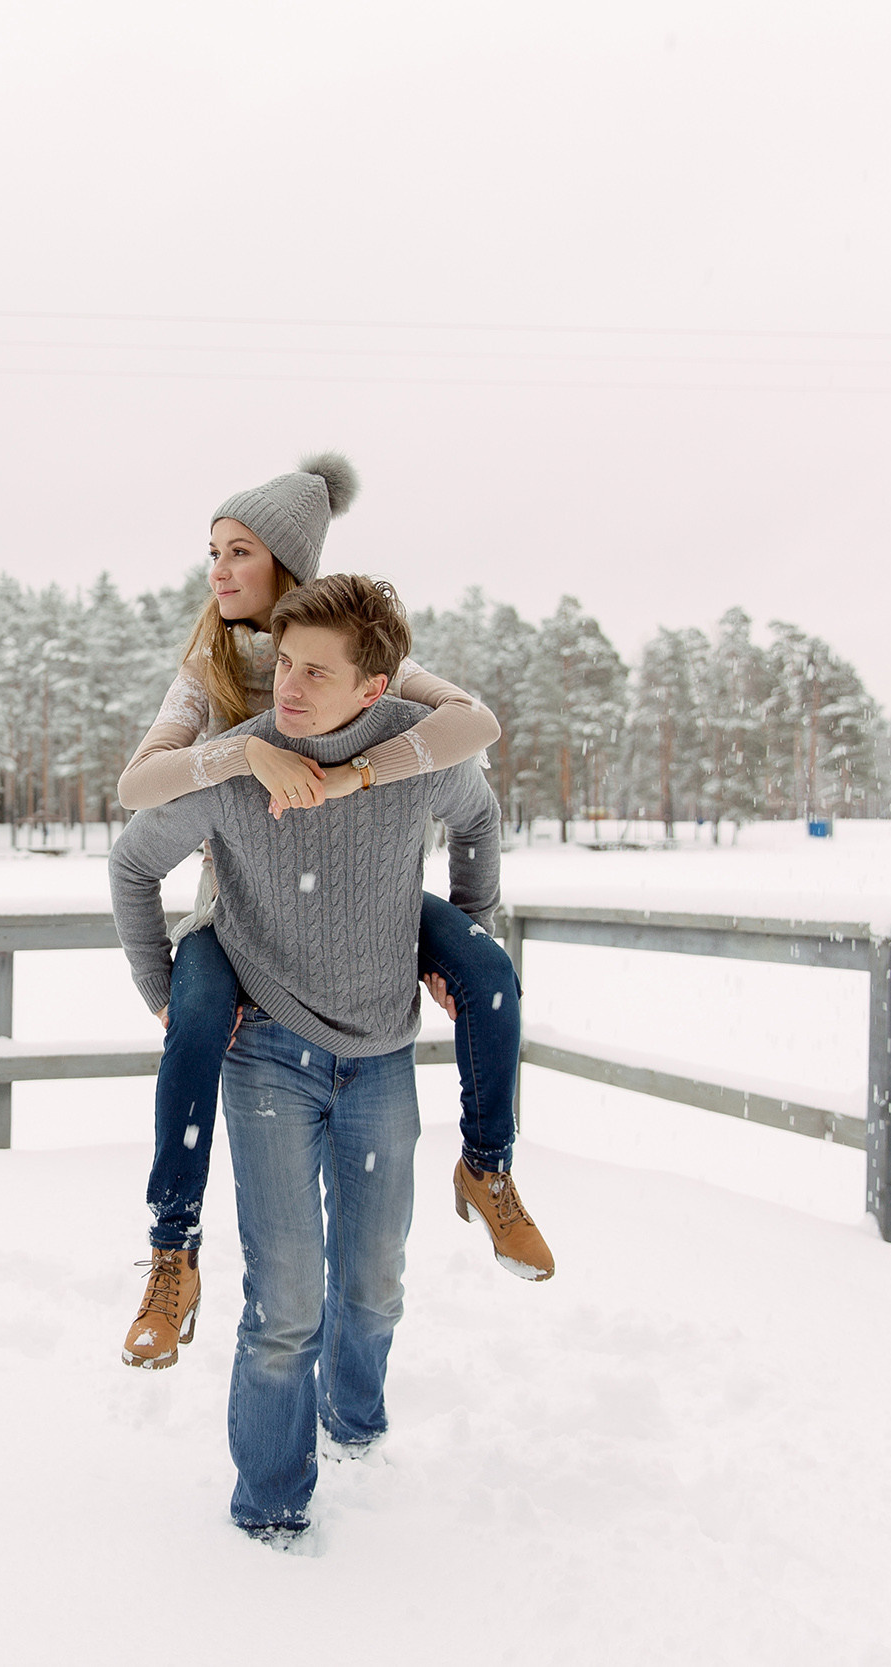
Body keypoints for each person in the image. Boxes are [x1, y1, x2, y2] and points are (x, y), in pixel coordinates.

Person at [113, 455, 549, 1373]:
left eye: (239, 552)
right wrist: (242, 759)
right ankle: (172, 1254)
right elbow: (137, 787)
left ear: (287, 563)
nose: (218, 572)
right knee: (192, 1016)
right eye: (213, 552)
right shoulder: (208, 668)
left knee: (488, 971)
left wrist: (361, 773)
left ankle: (489, 1165)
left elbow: (471, 727)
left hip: (375, 890)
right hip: (244, 910)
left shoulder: (336, 643)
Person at [108, 573, 505, 1542]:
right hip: (268, 1059)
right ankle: (272, 1509)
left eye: (314, 672)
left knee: (373, 1282)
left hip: (379, 1056)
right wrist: (167, 993)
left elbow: (480, 813)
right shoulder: (239, 765)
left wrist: (466, 931)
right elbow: (131, 858)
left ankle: (354, 1426)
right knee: (285, 1302)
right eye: (281, 662)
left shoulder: (410, 755)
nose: (285, 685)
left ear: (375, 689)